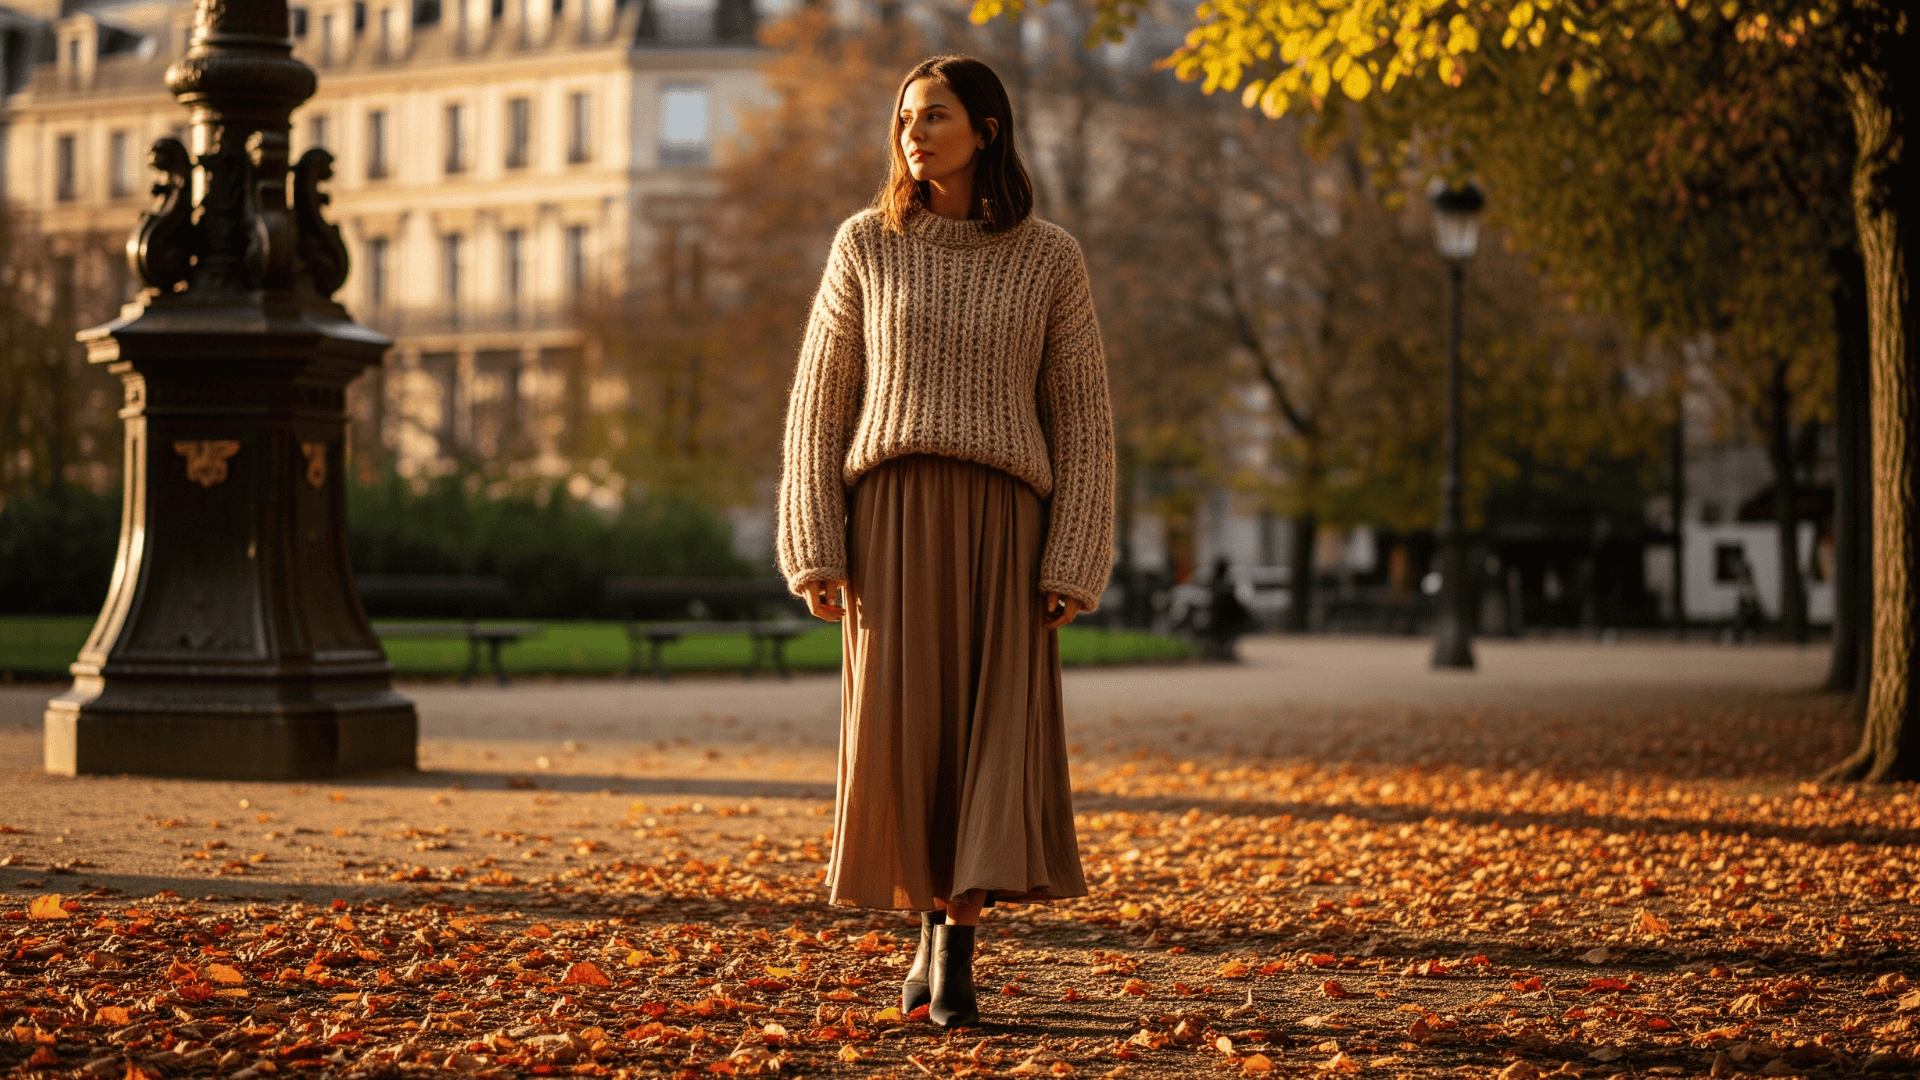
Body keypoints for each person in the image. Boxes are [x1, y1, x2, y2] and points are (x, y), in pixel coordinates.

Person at [775, 54, 1116, 1029]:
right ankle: (926, 927)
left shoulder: (1052, 257)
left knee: (988, 737)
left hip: (1006, 530)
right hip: (889, 524)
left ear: (988, 129)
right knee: (907, 734)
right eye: (904, 120)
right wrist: (815, 542)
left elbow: (1084, 417)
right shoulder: (864, 247)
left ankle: (956, 945)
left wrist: (1075, 556)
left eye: (932, 117)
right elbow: (819, 404)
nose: (912, 135)